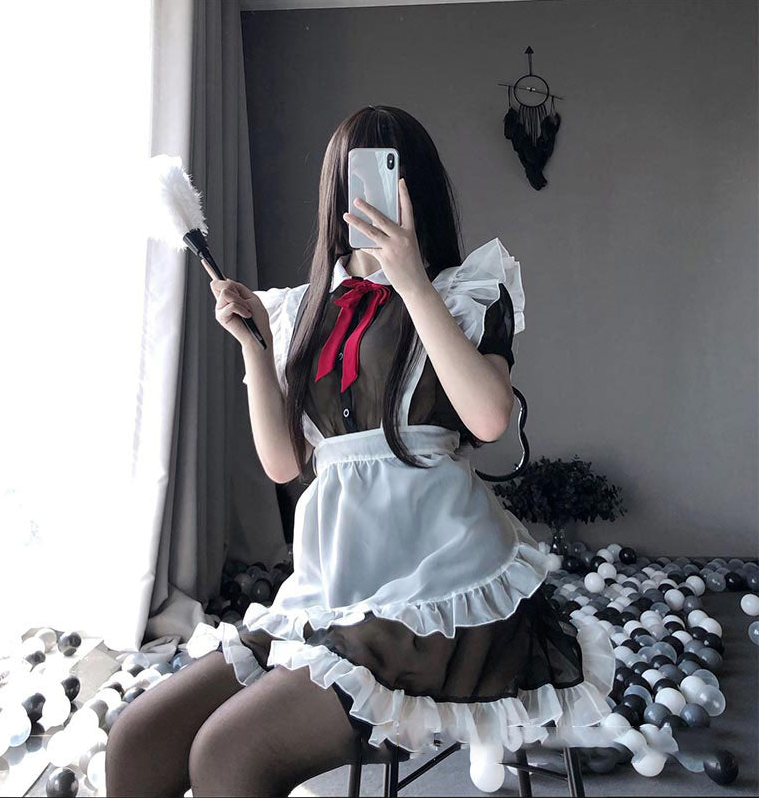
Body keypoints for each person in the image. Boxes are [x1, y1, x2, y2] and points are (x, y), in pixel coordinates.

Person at [105, 105, 615, 797]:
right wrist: (256, 348)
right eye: (352, 177)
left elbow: (490, 418)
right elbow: (286, 464)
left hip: (440, 593)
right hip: (333, 586)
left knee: (227, 755)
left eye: (386, 171)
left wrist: (411, 280)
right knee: (138, 739)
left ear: (415, 187)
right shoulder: (300, 309)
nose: (367, 191)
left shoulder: (465, 291)